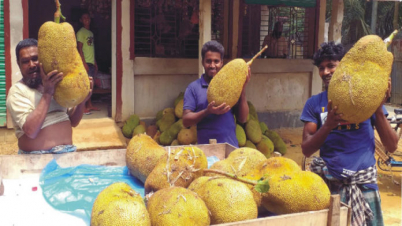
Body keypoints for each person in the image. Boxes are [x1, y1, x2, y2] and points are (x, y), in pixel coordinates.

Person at [300, 41, 398, 226]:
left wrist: (377, 108)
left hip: (364, 185)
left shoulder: (365, 100)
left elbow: (391, 146)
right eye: (321, 68)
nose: (326, 72)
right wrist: (328, 125)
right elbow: (306, 149)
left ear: (343, 66)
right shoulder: (314, 104)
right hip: (330, 185)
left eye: (331, 66)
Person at [6, 38, 93, 154]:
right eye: (25, 61)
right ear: (18, 64)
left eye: (35, 59)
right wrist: (47, 93)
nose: (31, 65)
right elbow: (31, 131)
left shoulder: (56, 86)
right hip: (34, 160)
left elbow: (73, 121)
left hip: (66, 153)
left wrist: (82, 101)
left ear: (42, 58)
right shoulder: (17, 91)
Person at [182, 40, 250, 147]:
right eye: (208, 61)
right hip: (206, 151)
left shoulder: (231, 86)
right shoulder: (193, 88)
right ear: (202, 62)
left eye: (216, 61)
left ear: (222, 62)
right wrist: (207, 112)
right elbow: (185, 121)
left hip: (230, 148)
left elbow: (243, 118)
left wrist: (242, 89)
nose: (212, 65)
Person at [77, 11, 99, 114]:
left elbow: (91, 49)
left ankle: (90, 105)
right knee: (86, 86)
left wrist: (95, 63)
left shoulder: (90, 33)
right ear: (81, 20)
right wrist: (84, 63)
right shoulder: (81, 32)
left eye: (88, 18)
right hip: (85, 63)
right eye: (84, 18)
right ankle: (83, 107)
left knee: (91, 86)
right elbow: (79, 48)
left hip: (91, 62)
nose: (87, 19)